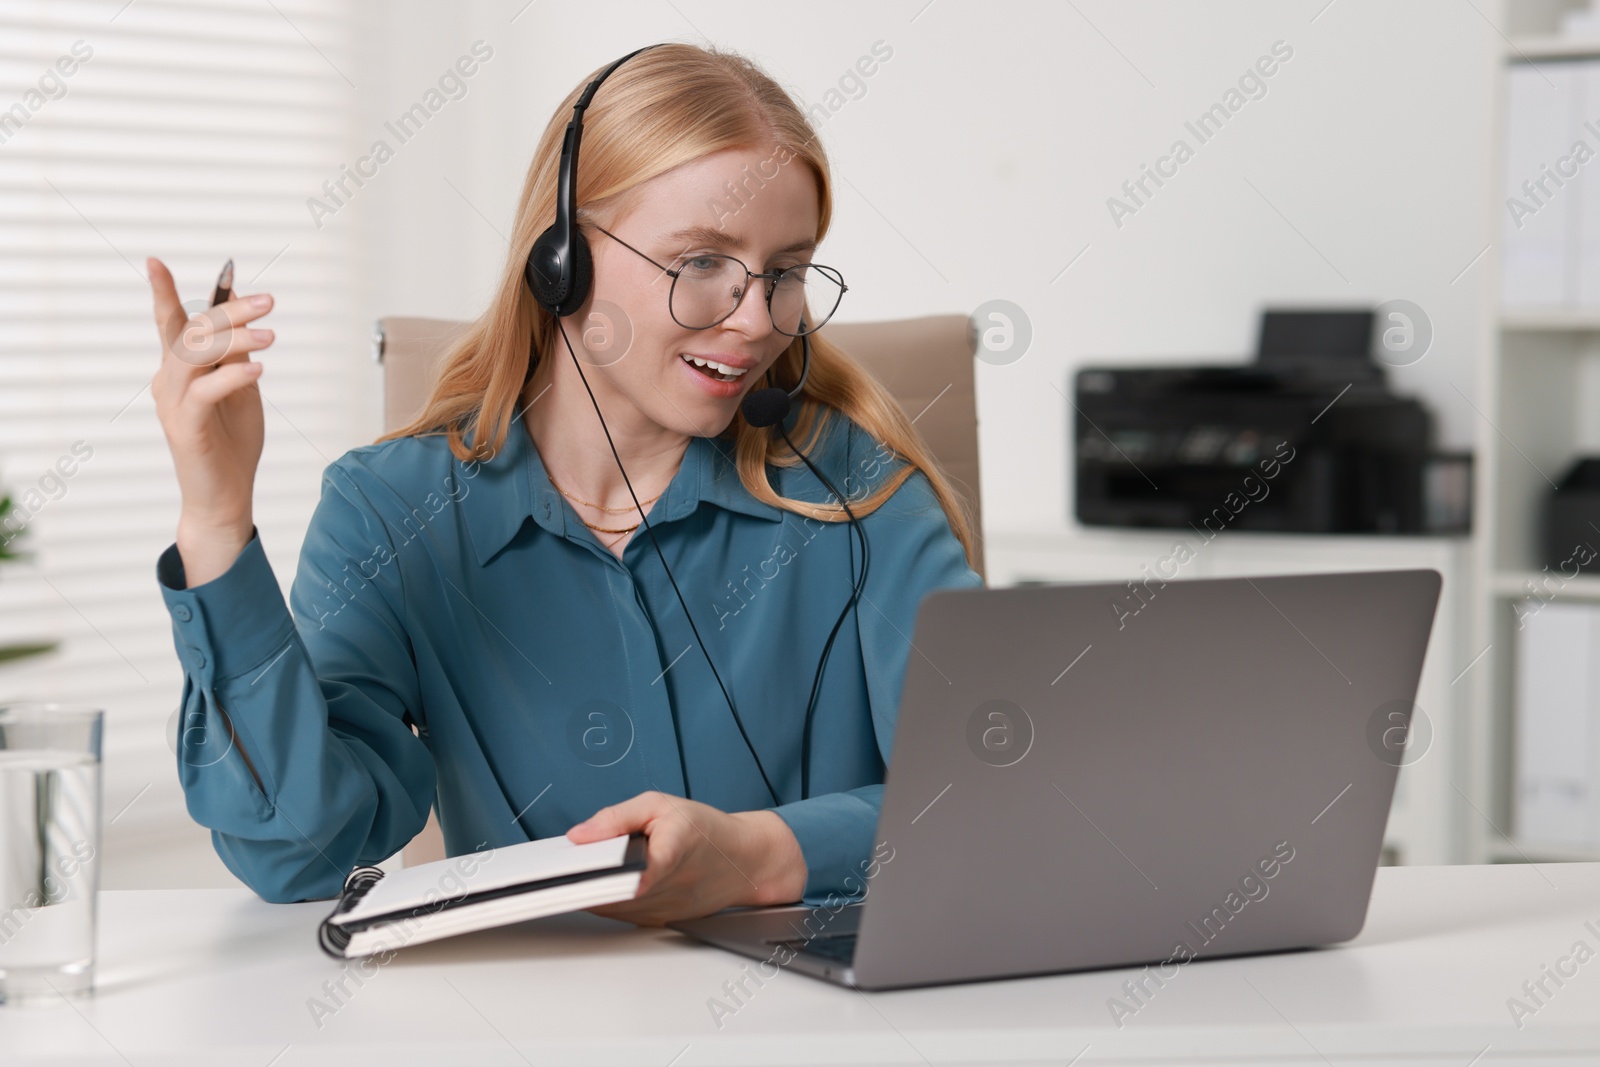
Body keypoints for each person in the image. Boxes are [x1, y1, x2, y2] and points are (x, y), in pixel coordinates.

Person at [143, 42, 981, 924]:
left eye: (785, 273)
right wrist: (215, 520)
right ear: (561, 255)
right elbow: (302, 852)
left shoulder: (858, 489)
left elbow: (993, 791)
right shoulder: (391, 510)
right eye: (700, 262)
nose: (753, 319)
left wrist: (757, 857)